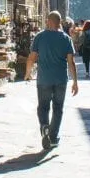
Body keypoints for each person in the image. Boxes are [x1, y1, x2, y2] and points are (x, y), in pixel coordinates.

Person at [25, 11, 79, 150]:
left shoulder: (40, 37)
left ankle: (44, 126)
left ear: (48, 21)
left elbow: (32, 57)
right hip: (61, 79)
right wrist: (75, 81)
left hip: (44, 79)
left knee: (43, 107)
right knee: (58, 108)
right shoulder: (66, 38)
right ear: (59, 22)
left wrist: (27, 73)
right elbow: (71, 62)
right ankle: (53, 137)